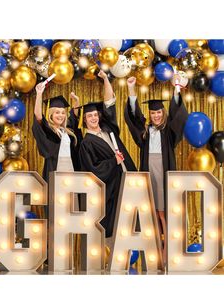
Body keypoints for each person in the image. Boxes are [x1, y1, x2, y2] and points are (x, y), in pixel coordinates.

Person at [124, 76, 188, 262]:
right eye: (153, 113)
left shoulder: (168, 132)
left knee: (162, 211)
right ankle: (155, 248)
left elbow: (179, 117)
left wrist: (176, 90)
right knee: (151, 210)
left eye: (159, 112)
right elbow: (133, 118)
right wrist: (131, 90)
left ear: (163, 112)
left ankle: (168, 247)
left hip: (163, 170)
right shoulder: (145, 131)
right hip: (148, 171)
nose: (156, 115)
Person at [78, 70, 137, 241]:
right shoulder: (86, 143)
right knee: (115, 222)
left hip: (129, 177)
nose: (94, 118)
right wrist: (114, 161)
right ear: (85, 120)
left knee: (132, 219)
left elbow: (109, 102)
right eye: (90, 116)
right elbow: (92, 170)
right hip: (113, 186)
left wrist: (105, 79)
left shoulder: (108, 130)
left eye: (96, 115)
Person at [32, 83, 83, 217]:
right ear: (50, 114)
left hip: (70, 169)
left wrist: (76, 101)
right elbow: (38, 116)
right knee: (57, 205)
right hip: (55, 168)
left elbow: (75, 117)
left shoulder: (67, 131)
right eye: (57, 112)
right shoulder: (48, 130)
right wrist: (39, 94)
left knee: (70, 206)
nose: (60, 115)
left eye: (62, 113)